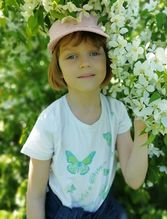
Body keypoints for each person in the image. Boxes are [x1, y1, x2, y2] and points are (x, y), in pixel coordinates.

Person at [21, 14, 148, 219]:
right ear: (59, 68)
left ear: (107, 60)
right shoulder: (50, 121)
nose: (84, 63)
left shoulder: (116, 112)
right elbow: (35, 195)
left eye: (94, 53)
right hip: (62, 213)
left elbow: (134, 180)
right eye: (71, 56)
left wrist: (143, 132)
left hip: (103, 211)